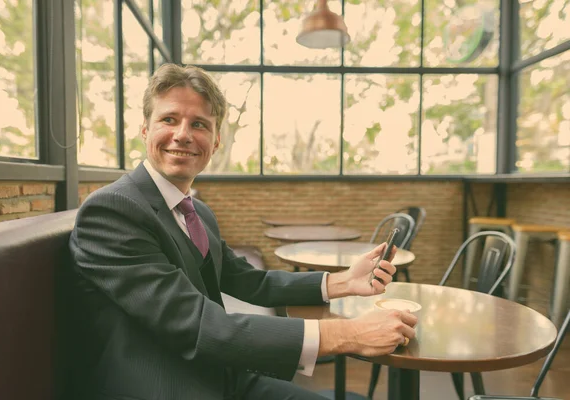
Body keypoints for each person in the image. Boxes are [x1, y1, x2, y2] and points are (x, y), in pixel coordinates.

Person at [68, 63, 418, 400]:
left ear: (216, 142)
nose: (183, 135)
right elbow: (200, 325)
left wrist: (343, 282)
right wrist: (350, 333)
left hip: (221, 376)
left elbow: (248, 281)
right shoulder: (113, 211)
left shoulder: (196, 211)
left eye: (200, 125)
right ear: (145, 130)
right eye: (169, 119)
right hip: (165, 387)